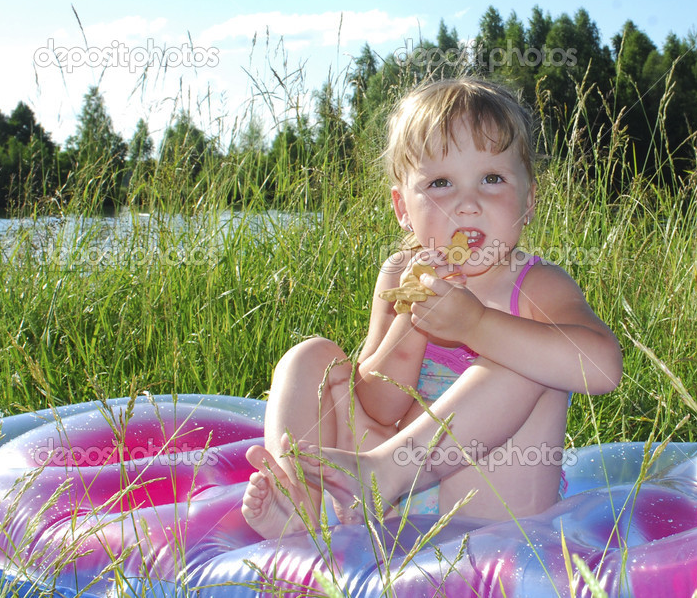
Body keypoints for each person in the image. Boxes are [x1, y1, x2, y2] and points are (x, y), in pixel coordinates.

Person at [241, 77, 622, 538]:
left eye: (492, 179)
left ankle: (383, 474)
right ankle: (297, 502)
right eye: (441, 183)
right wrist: (412, 321)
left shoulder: (536, 284)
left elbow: (602, 370)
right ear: (403, 207)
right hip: (389, 490)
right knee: (311, 355)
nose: (467, 205)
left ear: (529, 200)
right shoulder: (400, 272)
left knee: (529, 360)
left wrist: (476, 324)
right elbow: (380, 407)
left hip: (486, 501)